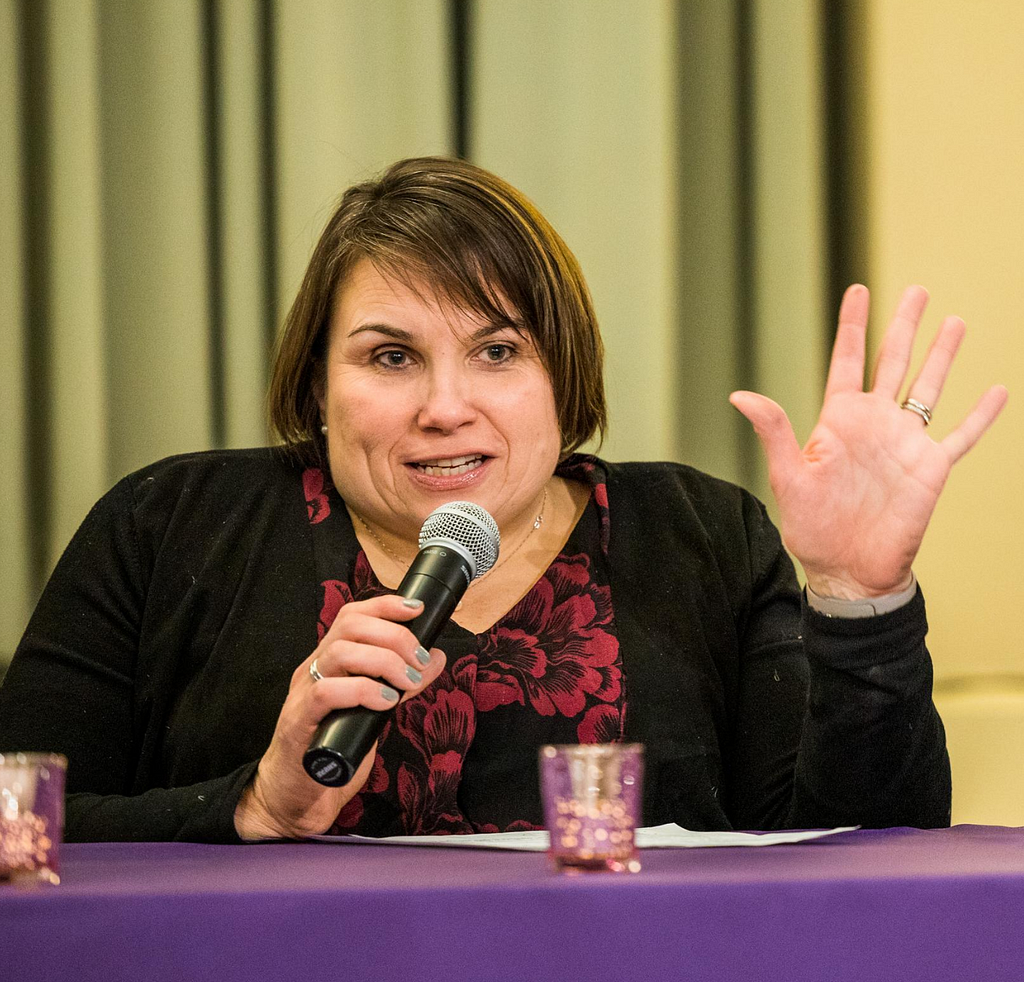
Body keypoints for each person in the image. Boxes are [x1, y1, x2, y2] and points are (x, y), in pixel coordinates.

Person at [0, 157, 1007, 842]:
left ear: (564, 377)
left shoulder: (703, 539)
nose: (447, 407)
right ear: (315, 384)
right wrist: (253, 804)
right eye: (390, 356)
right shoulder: (168, 525)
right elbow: (18, 825)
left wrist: (857, 600)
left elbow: (858, 855)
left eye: (497, 350)